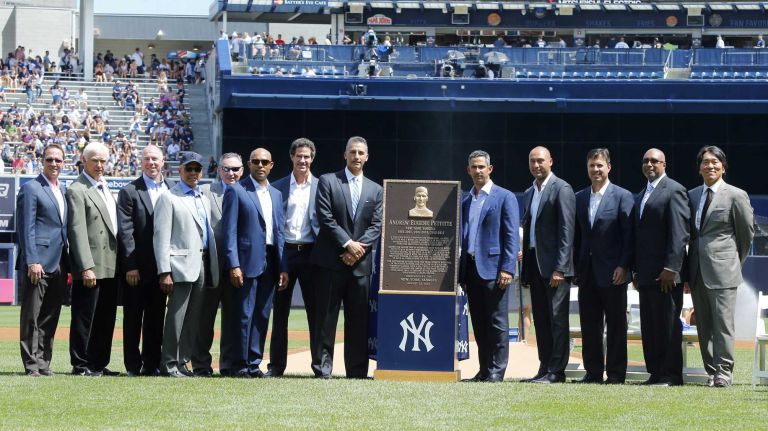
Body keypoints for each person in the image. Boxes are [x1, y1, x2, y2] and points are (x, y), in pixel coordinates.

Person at [311, 136, 383, 379]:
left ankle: (356, 371)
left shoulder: (376, 189)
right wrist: (348, 244)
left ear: (367, 157)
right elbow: (325, 217)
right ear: (345, 155)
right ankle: (323, 369)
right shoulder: (328, 181)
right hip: (331, 262)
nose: (356, 157)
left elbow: (377, 225)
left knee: (358, 321)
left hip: (360, 266)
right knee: (326, 319)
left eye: (361, 152)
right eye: (352, 152)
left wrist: (357, 249)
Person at [687, 146, 754, 387]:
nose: (710, 166)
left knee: (723, 325)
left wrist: (734, 263)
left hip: (724, 271)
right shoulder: (692, 195)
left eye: (715, 162)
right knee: (704, 326)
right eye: (705, 162)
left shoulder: (736, 195)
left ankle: (724, 373)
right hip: (696, 271)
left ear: (723, 167)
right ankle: (711, 371)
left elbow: (746, 234)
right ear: (699, 168)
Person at [222, 148, 288, 378]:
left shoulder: (277, 194)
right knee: (243, 314)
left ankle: (254, 362)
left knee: (262, 315)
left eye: (265, 162)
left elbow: (280, 233)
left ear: (272, 165)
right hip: (246, 261)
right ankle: (239, 364)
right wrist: (234, 264)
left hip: (271, 261)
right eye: (256, 161)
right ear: (249, 165)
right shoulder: (236, 191)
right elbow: (228, 231)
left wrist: (283, 267)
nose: (260, 165)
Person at [153, 152, 220, 377]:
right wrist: (164, 271)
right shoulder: (169, 197)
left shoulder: (202, 196)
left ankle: (182, 361)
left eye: (197, 169)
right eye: (188, 169)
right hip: (179, 265)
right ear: (179, 171)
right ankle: (169, 363)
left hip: (202, 262)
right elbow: (161, 237)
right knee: (176, 316)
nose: (193, 173)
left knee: (193, 318)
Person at [572, 148, 634, 384]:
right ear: (587, 169)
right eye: (591, 166)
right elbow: (577, 237)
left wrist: (624, 266)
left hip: (613, 273)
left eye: (600, 165)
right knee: (589, 326)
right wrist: (576, 267)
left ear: (609, 167)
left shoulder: (622, 196)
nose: (596, 170)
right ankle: (593, 372)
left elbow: (628, 236)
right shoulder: (579, 197)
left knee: (617, 325)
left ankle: (616, 374)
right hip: (587, 273)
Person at [459, 150, 519, 383]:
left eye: (482, 167)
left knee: (497, 322)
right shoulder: (466, 200)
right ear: (468, 170)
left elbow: (511, 236)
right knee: (480, 323)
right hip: (472, 269)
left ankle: (497, 371)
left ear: (490, 169)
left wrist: (507, 268)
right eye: (474, 167)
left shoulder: (504, 197)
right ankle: (484, 370)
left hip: (495, 270)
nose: (478, 171)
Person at [633, 148, 690, 386]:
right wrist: (635, 270)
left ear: (664, 164)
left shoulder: (674, 190)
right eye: (645, 161)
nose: (649, 164)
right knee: (650, 326)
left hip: (666, 274)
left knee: (667, 325)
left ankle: (671, 375)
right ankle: (655, 372)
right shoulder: (641, 195)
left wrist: (672, 268)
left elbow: (679, 234)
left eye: (654, 161)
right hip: (645, 274)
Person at [520, 146, 575, 384]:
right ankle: (544, 367)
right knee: (541, 321)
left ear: (550, 161)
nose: (536, 165)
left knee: (557, 320)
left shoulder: (561, 188)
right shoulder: (529, 192)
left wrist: (560, 268)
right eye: (532, 161)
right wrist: (525, 270)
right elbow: (528, 234)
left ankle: (557, 371)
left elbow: (567, 231)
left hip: (555, 269)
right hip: (535, 265)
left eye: (540, 161)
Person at [117, 145, 173, 377]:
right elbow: (125, 231)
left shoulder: (171, 189)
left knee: (156, 318)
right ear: (141, 162)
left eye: (155, 159)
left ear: (163, 162)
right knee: (133, 318)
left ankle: (151, 364)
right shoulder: (130, 191)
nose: (151, 163)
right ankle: (132, 365)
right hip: (137, 268)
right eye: (147, 159)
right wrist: (130, 266)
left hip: (162, 269)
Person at [267, 138, 321, 377]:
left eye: (307, 156)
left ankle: (320, 366)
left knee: (316, 314)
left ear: (312, 158)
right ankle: (276, 367)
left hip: (311, 254)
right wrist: (280, 263)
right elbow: (275, 228)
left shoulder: (322, 186)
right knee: (279, 315)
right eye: (299, 156)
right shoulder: (277, 187)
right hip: (285, 253)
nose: (303, 160)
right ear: (291, 157)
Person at [66, 142, 120, 377]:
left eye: (103, 161)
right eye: (95, 160)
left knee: (106, 318)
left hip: (110, 263)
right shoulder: (77, 189)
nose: (99, 165)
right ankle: (81, 364)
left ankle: (99, 362)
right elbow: (76, 231)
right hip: (91, 265)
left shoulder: (105, 187)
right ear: (84, 161)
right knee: (84, 317)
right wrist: (85, 267)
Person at [16, 144, 69, 376]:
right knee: (32, 315)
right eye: (50, 159)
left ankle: (43, 361)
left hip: (59, 262)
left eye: (58, 160)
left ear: (64, 163)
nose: (54, 164)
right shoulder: (31, 188)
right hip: (37, 263)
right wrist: (32, 260)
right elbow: (25, 227)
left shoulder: (63, 190)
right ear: (42, 161)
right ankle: (30, 364)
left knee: (50, 315)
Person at [198, 153, 244, 377]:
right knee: (204, 320)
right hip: (210, 267)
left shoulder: (247, 192)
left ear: (242, 171)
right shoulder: (205, 192)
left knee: (232, 320)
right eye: (226, 169)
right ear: (219, 171)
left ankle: (227, 365)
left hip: (237, 268)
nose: (231, 173)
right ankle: (200, 364)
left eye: (235, 169)